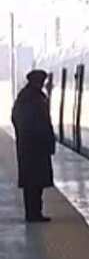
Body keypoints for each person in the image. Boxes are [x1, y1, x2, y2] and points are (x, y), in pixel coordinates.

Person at [11, 69, 55, 223]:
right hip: (33, 147)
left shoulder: (29, 96)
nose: (43, 84)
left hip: (32, 147)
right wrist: (36, 136)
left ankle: (35, 212)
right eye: (41, 81)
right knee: (33, 182)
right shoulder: (30, 98)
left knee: (35, 182)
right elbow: (27, 121)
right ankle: (33, 213)